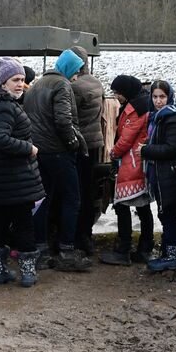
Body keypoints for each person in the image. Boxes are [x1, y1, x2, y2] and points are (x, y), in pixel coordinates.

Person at [0, 57, 46, 288]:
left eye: (23, 80)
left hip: (0, 177)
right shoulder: (4, 106)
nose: (20, 84)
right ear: (3, 82)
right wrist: (29, 148)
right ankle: (27, 273)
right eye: (15, 79)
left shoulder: (1, 103)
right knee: (23, 224)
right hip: (13, 177)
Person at [24, 49, 89, 272]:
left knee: (42, 200)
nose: (77, 77)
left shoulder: (37, 85)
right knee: (72, 199)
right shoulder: (62, 86)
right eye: (76, 71)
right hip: (59, 152)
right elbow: (64, 120)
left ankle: (40, 250)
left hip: (38, 152)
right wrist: (72, 143)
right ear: (69, 68)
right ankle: (66, 250)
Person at [140, 80, 176, 273]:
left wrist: (146, 150)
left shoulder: (173, 118)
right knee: (165, 214)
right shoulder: (158, 117)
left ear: (169, 96)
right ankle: (168, 251)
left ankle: (171, 255)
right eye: (154, 97)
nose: (158, 101)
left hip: (169, 173)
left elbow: (172, 149)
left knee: (168, 214)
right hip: (161, 172)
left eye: (162, 97)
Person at [104, 75, 155, 265]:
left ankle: (123, 250)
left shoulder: (136, 109)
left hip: (131, 163)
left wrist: (113, 152)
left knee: (122, 205)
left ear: (126, 91)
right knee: (143, 207)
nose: (116, 97)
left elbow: (126, 138)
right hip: (140, 163)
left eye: (118, 93)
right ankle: (145, 248)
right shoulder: (143, 103)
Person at [70, 46, 107, 257]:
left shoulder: (76, 87)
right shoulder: (95, 82)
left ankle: (77, 237)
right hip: (94, 142)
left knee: (77, 191)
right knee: (88, 189)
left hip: (79, 143)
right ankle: (86, 236)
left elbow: (68, 115)